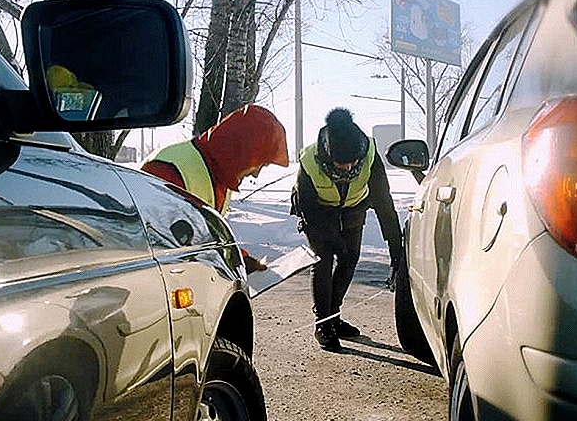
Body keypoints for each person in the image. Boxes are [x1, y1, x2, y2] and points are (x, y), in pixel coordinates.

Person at [291, 108, 404, 352]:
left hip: (353, 209)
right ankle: (323, 324)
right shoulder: (310, 160)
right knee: (322, 260)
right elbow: (309, 210)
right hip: (319, 214)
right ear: (329, 155)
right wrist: (332, 239)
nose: (348, 168)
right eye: (341, 164)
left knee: (349, 258)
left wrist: (396, 248)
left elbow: (384, 203)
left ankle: (334, 316)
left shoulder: (369, 155)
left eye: (353, 162)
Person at [142, 103, 289, 272]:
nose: (255, 174)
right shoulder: (168, 168)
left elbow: (209, 235)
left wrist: (240, 259)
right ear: (244, 152)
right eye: (259, 165)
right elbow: (158, 238)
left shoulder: (221, 176)